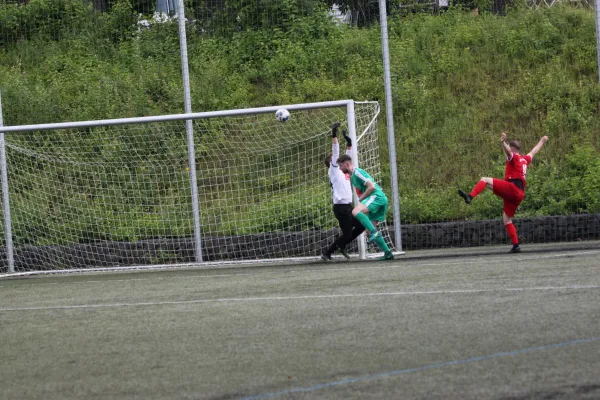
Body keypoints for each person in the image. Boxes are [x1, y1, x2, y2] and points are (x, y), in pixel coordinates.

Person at [458, 132, 549, 253]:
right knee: (507, 220)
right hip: (519, 194)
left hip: (512, 188)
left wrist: (503, 142)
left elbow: (508, 152)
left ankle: (470, 197)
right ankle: (516, 246)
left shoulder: (514, 157)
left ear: (512, 148)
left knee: (484, 180)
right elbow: (534, 150)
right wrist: (542, 140)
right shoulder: (525, 159)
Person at [337, 154, 394, 261]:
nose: (340, 169)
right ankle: (388, 253)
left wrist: (361, 198)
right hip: (380, 200)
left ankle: (374, 232)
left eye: (341, 166)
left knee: (355, 211)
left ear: (347, 164)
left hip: (376, 197)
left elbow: (371, 187)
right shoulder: (351, 175)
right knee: (368, 229)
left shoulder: (357, 172)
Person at [321, 123, 365, 261]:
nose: (339, 160)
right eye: (336, 160)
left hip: (347, 207)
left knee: (361, 226)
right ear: (332, 163)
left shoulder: (343, 170)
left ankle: (340, 245)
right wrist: (334, 135)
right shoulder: (333, 171)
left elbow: (347, 158)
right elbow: (335, 152)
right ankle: (328, 253)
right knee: (347, 234)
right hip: (340, 207)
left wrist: (349, 143)